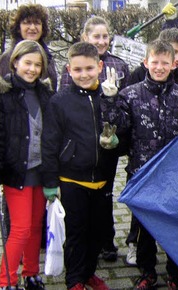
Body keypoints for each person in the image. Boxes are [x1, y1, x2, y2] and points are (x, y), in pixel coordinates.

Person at [102, 39, 178, 290]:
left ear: (174, 64)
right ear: (145, 62)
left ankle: (174, 275)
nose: (159, 67)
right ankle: (147, 272)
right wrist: (110, 99)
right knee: (144, 227)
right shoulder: (130, 94)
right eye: (154, 62)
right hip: (141, 172)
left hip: (174, 175)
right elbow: (118, 125)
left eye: (164, 63)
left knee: (174, 227)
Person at [55, 15, 129, 264]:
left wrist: (118, 138)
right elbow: (68, 100)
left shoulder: (119, 65)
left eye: (105, 36)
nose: (101, 40)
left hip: (106, 148)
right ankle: (82, 251)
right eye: (96, 36)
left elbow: (125, 104)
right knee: (80, 211)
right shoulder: (75, 65)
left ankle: (106, 241)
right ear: (86, 37)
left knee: (105, 199)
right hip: (80, 149)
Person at [0, 40, 54, 290]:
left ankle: (31, 273)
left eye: (37, 65)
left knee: (36, 227)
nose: (32, 69)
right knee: (21, 228)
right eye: (27, 63)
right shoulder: (1, 94)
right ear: (15, 62)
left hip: (40, 171)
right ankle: (6, 280)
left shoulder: (45, 94)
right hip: (16, 171)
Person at [0, 3, 57, 91]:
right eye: (27, 23)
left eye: (37, 23)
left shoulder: (48, 58)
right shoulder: (7, 58)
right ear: (18, 28)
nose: (32, 27)